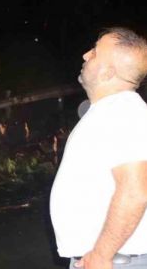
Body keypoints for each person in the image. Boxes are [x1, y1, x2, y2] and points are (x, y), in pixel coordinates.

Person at [51, 27, 147, 269]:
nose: (85, 55)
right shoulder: (108, 113)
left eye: (94, 52)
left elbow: (135, 191)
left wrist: (102, 254)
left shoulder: (123, 112)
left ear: (108, 72)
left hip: (116, 261)